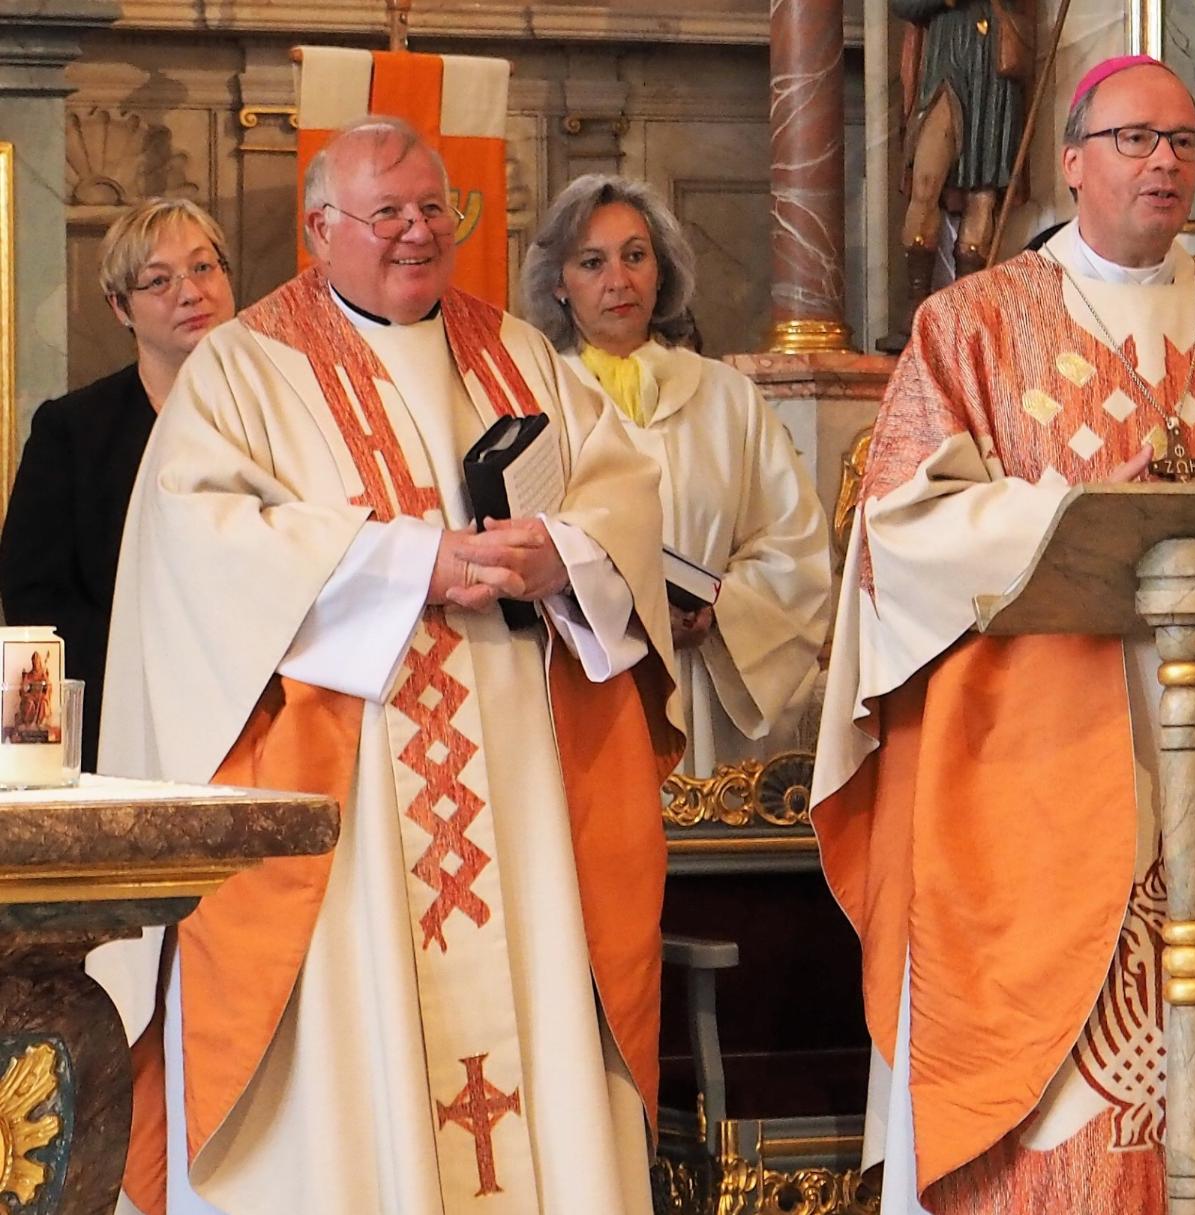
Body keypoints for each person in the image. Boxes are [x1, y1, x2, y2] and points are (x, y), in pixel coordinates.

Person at [809, 54, 1195, 1214]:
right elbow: (900, 524)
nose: (1163, 161)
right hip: (1034, 742)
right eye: (1132, 139)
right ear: (1070, 163)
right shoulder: (970, 321)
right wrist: (1071, 517)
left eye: (1181, 140)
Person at [98, 114, 681, 1214]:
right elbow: (201, 551)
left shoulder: (513, 350)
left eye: (434, 211)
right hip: (346, 803)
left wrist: (557, 548)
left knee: (540, 1021)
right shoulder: (246, 368)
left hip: (519, 790)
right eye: (388, 215)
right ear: (319, 228)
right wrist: (417, 563)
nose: (417, 234)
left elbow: (624, 492)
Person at [523, 173, 832, 777]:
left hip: (711, 680)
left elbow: (792, 542)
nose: (619, 281)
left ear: (660, 270)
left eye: (635, 256)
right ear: (558, 283)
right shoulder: (533, 396)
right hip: (589, 679)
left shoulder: (727, 397)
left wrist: (721, 613)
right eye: (592, 262)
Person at [0, 199, 236, 765]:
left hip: (263, 708)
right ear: (119, 307)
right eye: (158, 280)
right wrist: (154, 660)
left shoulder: (287, 410)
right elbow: (34, 597)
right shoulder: (73, 430)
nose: (190, 292)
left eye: (204, 268)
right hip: (122, 719)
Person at [892, 0, 1028, 311]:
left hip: (993, 68)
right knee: (925, 183)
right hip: (945, 54)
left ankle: (967, 313)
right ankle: (918, 308)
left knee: (983, 197)